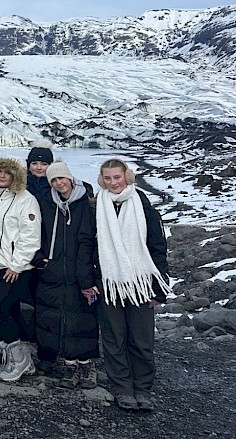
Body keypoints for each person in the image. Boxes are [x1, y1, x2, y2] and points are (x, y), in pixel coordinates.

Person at [94, 159, 169, 412]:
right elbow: (91, 249)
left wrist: (159, 287)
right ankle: (122, 389)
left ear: (127, 176)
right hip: (109, 284)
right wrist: (93, 281)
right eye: (108, 178)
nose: (113, 182)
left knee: (141, 340)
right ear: (101, 180)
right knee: (114, 339)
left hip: (141, 284)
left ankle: (143, 388)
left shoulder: (144, 208)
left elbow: (158, 249)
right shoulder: (97, 208)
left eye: (117, 177)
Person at [32, 161, 99, 389]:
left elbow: (90, 240)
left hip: (81, 271)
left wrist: (89, 275)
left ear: (70, 178)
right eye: (54, 180)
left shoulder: (86, 203)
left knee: (82, 318)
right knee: (60, 318)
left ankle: (87, 365)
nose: (59, 183)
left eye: (62, 178)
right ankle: (71, 366)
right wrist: (39, 259)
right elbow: (36, 233)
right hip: (53, 269)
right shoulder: (47, 204)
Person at [0, 156, 41, 383]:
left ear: (16, 175)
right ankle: (24, 360)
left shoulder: (26, 199)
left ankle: (18, 359)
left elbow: (30, 237)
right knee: (11, 309)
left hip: (17, 268)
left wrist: (16, 265)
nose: (2, 176)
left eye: (7, 172)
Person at [25, 141, 54, 206]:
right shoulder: (20, 185)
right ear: (28, 166)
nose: (39, 168)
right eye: (34, 163)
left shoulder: (58, 185)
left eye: (44, 164)